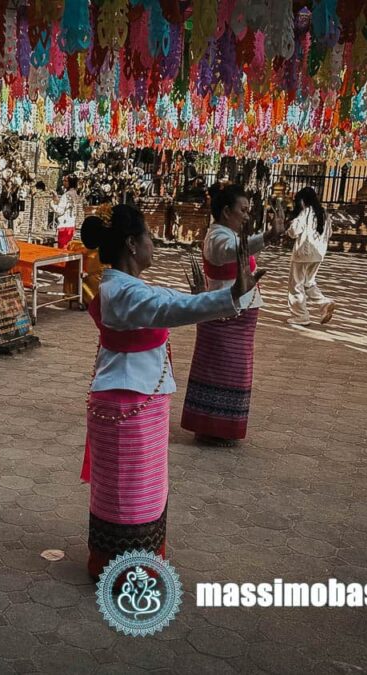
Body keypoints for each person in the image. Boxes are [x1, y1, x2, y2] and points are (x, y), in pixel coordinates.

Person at [81, 203, 262, 578]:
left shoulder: (123, 286)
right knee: (128, 496)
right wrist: (226, 297)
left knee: (135, 492)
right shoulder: (123, 292)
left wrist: (212, 301)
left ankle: (127, 564)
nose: (153, 243)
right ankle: (125, 571)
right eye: (148, 235)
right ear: (133, 244)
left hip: (134, 400)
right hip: (128, 403)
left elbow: (171, 303)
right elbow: (169, 308)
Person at [180, 184, 280, 447]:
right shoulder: (218, 238)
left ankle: (223, 426)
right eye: (243, 210)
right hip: (224, 314)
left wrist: (267, 237)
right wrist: (268, 236)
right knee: (219, 371)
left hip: (238, 314)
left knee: (234, 372)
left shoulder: (229, 235)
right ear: (226, 212)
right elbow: (233, 251)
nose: (247, 216)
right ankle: (210, 425)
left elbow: (242, 248)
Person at [286, 187, 337, 326]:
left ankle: (300, 315)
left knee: (296, 285)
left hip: (303, 253)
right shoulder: (324, 214)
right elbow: (330, 233)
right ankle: (324, 303)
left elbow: (294, 232)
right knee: (308, 282)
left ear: (303, 201)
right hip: (318, 254)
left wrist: (291, 224)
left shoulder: (305, 213)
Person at [50, 175, 82, 248]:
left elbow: (60, 211)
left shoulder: (66, 195)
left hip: (64, 226)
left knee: (63, 249)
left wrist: (52, 204)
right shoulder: (75, 194)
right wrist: (57, 199)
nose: (63, 182)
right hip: (71, 225)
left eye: (65, 181)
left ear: (70, 182)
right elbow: (67, 207)